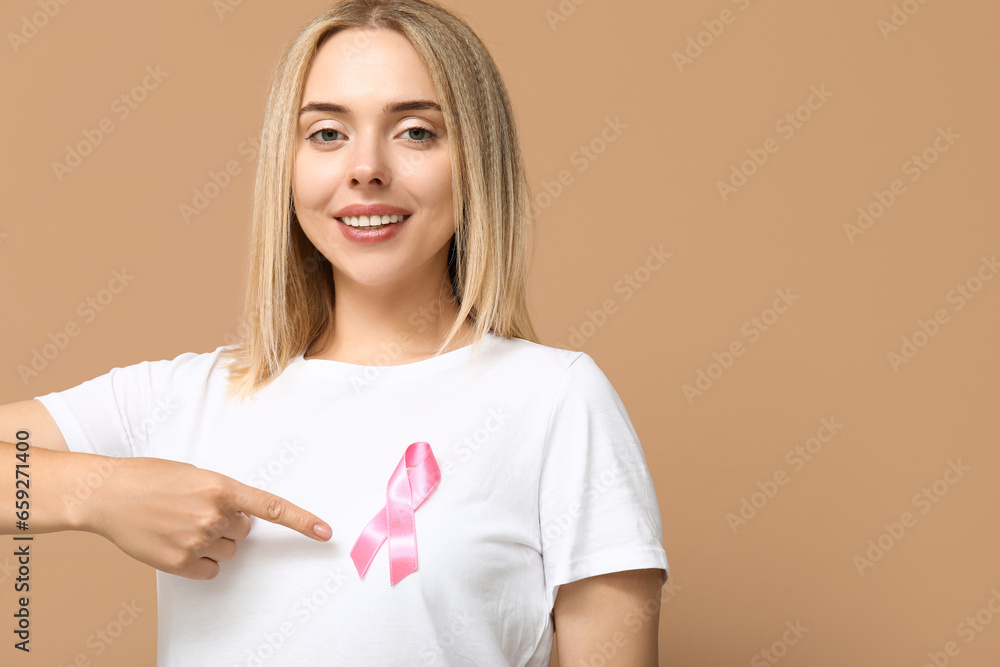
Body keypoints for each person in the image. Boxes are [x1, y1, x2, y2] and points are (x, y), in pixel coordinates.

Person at [0, 0, 669, 664]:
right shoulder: (186, 396)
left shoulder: (556, 401)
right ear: (285, 165)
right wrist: (102, 495)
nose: (366, 168)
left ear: (475, 162)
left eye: (415, 132)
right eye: (327, 133)